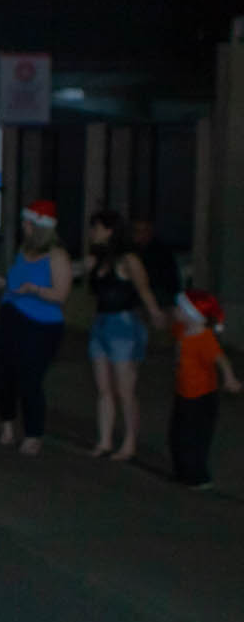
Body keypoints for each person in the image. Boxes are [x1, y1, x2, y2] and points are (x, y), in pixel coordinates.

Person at [84, 209, 170, 461]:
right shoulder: (97, 260)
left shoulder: (128, 260)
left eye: (96, 227)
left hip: (122, 324)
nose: (92, 233)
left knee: (125, 389)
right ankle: (104, 440)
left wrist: (155, 313)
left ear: (109, 230)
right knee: (103, 387)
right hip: (101, 322)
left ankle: (129, 442)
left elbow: (144, 290)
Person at [0, 201, 73, 455]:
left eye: (28, 223)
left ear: (40, 227)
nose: (24, 227)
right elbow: (15, 283)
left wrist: (34, 290)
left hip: (40, 324)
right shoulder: (24, 250)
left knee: (29, 378)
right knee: (0, 372)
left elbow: (61, 294)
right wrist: (3, 284)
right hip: (11, 315)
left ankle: (34, 433)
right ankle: (7, 424)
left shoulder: (57, 255)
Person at [169, 290, 238, 488]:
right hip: (184, 393)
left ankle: (199, 476)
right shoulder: (182, 329)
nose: (175, 311)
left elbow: (221, 359)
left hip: (202, 397)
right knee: (178, 434)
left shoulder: (204, 338)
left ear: (193, 315)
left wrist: (229, 378)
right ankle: (183, 471)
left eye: (180, 308)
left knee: (196, 437)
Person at [131, 218, 181, 307]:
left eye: (145, 231)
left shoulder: (162, 252)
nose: (141, 234)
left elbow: (170, 282)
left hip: (159, 296)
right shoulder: (129, 251)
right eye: (138, 231)